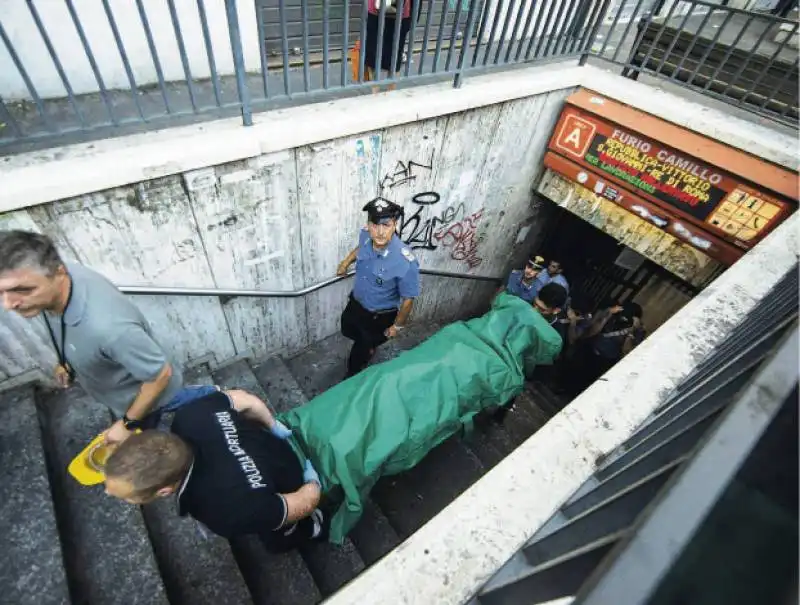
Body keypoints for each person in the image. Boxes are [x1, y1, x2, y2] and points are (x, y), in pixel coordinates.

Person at [0, 230, 215, 444]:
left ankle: (222, 397)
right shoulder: (53, 288)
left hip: (152, 399)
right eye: (1, 292)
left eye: (22, 290)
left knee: (181, 416)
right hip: (122, 392)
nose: (8, 305)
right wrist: (64, 360)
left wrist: (127, 424)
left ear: (60, 272)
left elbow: (160, 375)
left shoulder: (109, 328)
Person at [104, 389, 325, 552]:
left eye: (129, 497)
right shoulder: (191, 415)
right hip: (270, 447)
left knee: (281, 536)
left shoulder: (224, 513)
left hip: (288, 483)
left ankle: (313, 527)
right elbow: (246, 401)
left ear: (165, 490)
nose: (107, 493)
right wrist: (272, 425)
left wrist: (312, 485)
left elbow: (302, 503)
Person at [337, 198, 420, 377]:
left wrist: (397, 326)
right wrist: (345, 262)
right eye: (375, 225)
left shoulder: (405, 261)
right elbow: (361, 249)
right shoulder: (366, 235)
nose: (380, 232)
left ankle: (353, 374)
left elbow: (408, 300)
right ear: (368, 224)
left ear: (394, 225)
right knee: (347, 328)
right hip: (356, 303)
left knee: (359, 351)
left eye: (386, 225)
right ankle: (369, 346)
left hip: (377, 317)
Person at [575, 301, 646, 393]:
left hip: (605, 360)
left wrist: (631, 331)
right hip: (590, 349)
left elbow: (626, 352)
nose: (624, 319)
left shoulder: (638, 331)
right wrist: (607, 316)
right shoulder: (611, 315)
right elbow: (590, 333)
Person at [363, 0, 413, 82]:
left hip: (399, 13)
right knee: (373, 56)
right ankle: (376, 91)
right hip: (377, 11)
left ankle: (387, 91)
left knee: (393, 57)